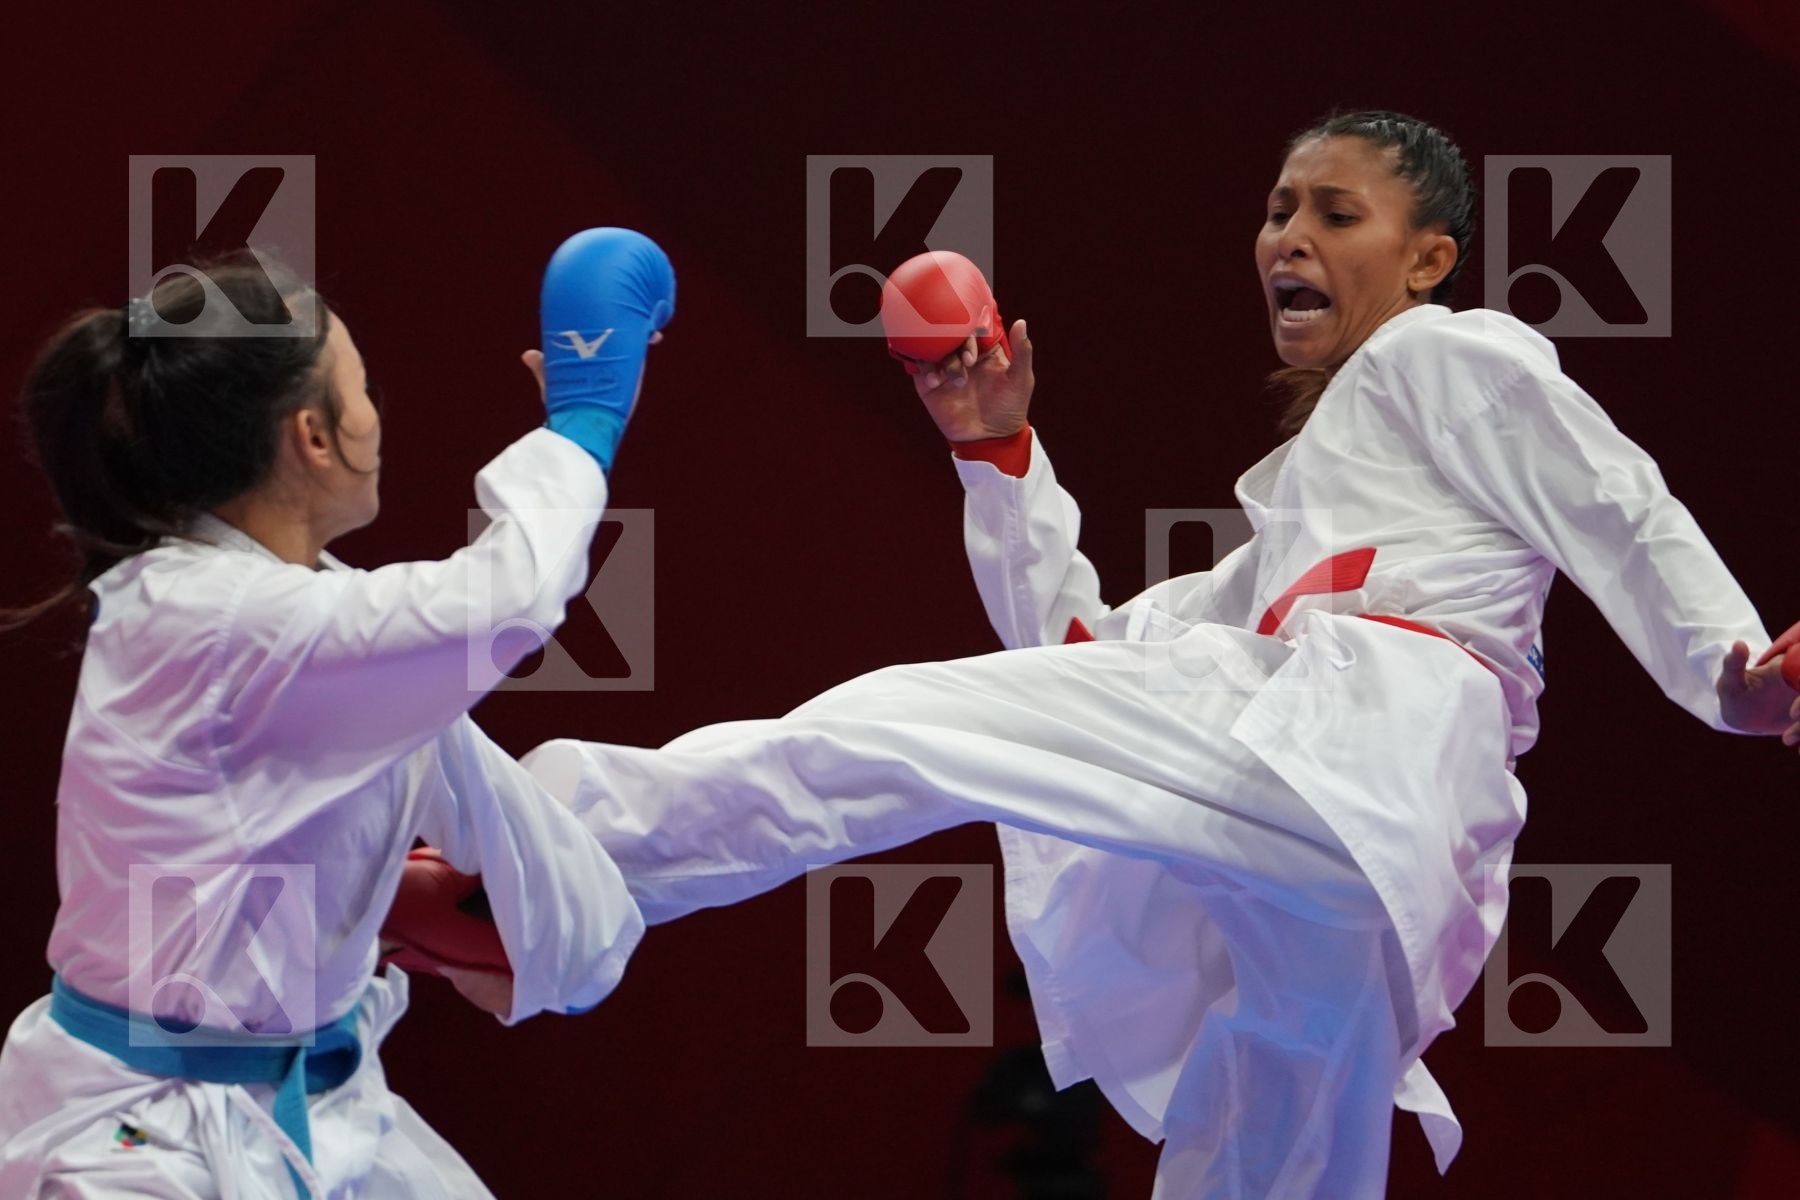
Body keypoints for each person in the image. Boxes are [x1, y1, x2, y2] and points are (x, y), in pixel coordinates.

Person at [452, 112, 1800, 1198]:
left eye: (1339, 212)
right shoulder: (1290, 554)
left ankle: (534, 864)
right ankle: (537, 876)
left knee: (904, 727)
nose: (1291, 232)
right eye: (1280, 206)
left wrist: (1724, 665)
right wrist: (998, 458)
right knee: (1263, 1173)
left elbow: (1616, 500)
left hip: (1347, 761)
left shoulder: (1445, 359)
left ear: (1432, 259)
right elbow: (1085, 651)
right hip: (1373, 859)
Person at [0, 230, 673, 1199]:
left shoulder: (294, 605)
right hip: (133, 1144)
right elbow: (507, 601)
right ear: (313, 437)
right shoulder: (217, 622)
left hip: (328, 1103)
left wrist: (555, 948)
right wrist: (586, 415)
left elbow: (478, 786)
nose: (377, 415)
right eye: (362, 387)